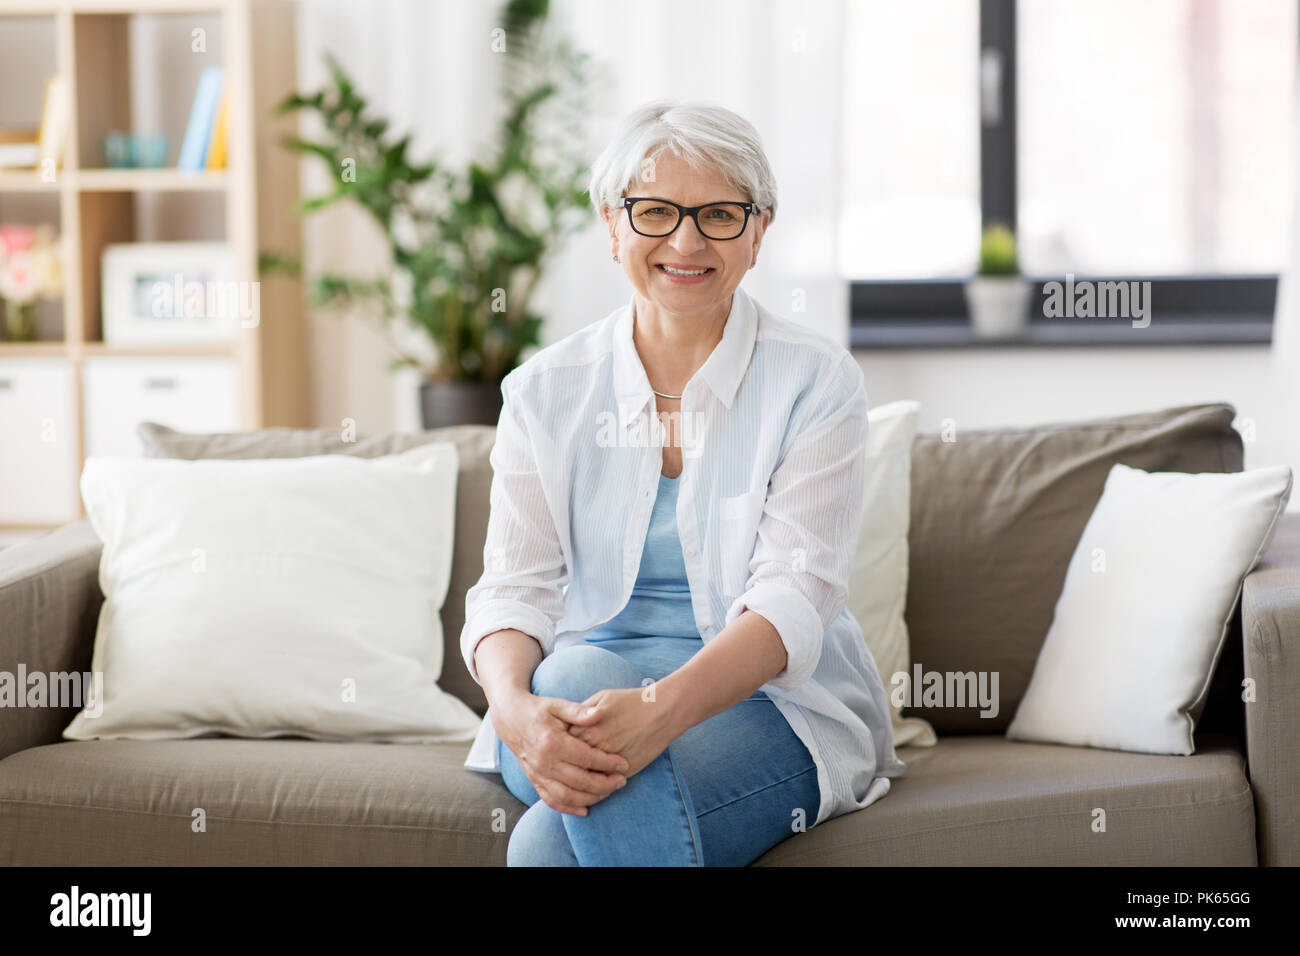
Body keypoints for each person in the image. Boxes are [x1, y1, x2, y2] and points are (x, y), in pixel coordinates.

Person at [460, 99, 904, 866]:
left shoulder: (815, 381)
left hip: (771, 707)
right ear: (611, 224)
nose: (687, 240)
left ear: (759, 230)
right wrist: (515, 711)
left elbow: (791, 602)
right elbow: (513, 591)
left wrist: (659, 712)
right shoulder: (544, 391)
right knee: (574, 667)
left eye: (720, 214)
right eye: (655, 211)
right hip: (567, 701)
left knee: (543, 846)